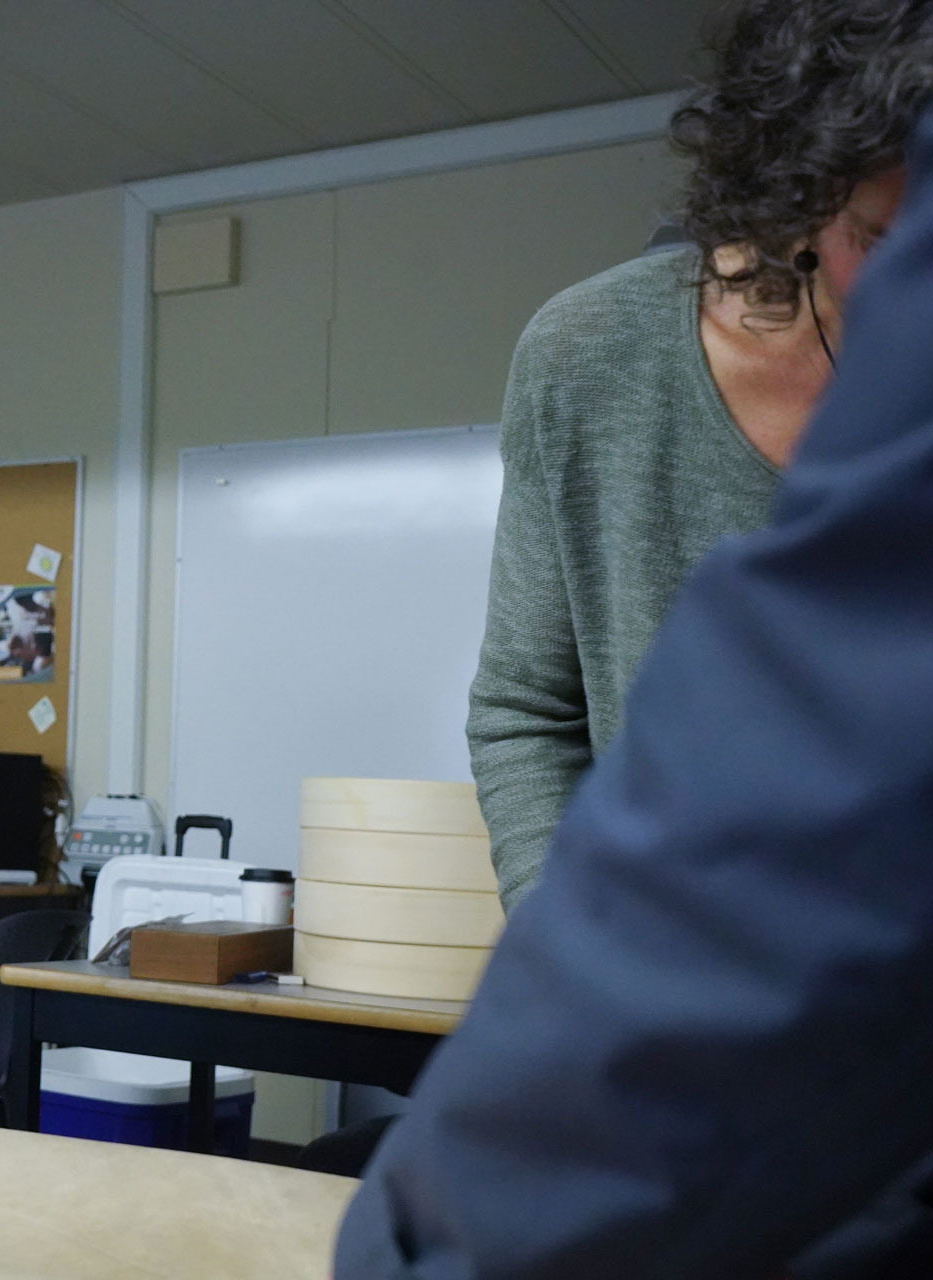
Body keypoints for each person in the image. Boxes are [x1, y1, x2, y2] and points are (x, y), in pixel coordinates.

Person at [333, 91, 933, 1276]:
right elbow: (523, 710)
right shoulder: (590, 354)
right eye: (869, 236)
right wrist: (573, 978)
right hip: (667, 1024)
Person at [470, 0, 926, 912]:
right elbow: (528, 714)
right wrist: (569, 958)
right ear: (802, 186)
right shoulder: (593, 354)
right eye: (887, 239)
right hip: (681, 994)